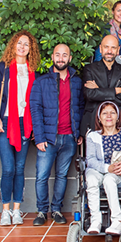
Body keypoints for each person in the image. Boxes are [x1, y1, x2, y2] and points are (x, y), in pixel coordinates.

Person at [30, 43, 84, 226]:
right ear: (53, 57)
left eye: (64, 55)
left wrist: (79, 133)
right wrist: (39, 137)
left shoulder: (77, 81)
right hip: (47, 137)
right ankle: (41, 211)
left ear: (69, 58)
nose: (61, 58)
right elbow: (35, 110)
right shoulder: (41, 82)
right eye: (57, 55)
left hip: (69, 137)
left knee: (61, 176)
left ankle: (56, 210)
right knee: (42, 176)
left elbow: (80, 108)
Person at [0, 30, 40, 226]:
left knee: (20, 168)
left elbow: (36, 100)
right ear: (13, 45)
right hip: (5, 122)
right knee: (8, 167)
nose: (22, 47)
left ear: (31, 49)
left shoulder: (33, 69)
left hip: (24, 123)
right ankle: (5, 210)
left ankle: (17, 210)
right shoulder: (2, 67)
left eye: (26, 44)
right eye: (19, 43)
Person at [85, 102, 121, 235]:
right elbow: (91, 160)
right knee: (91, 179)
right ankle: (95, 220)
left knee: (109, 180)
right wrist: (107, 167)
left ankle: (118, 222)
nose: (108, 116)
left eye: (112, 113)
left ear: (118, 117)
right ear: (99, 118)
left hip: (118, 170)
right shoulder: (92, 136)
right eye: (104, 113)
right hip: (99, 169)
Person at [80, 34, 121, 131]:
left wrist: (99, 91)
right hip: (94, 121)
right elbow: (89, 94)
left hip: (120, 122)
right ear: (100, 48)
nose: (109, 51)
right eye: (106, 47)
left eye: (113, 48)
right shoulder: (89, 69)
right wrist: (115, 91)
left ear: (118, 50)